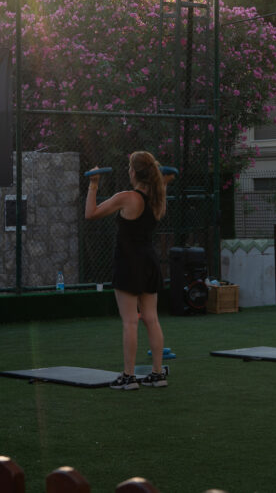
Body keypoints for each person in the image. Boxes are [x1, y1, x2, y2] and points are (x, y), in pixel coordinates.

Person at [84, 151, 168, 390]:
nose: (128, 171)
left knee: (130, 321)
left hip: (129, 263)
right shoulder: (158, 198)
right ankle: (157, 374)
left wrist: (93, 184)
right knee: (151, 318)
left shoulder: (127, 197)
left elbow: (90, 213)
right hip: (149, 262)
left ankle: (129, 377)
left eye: (130, 168)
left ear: (134, 172)